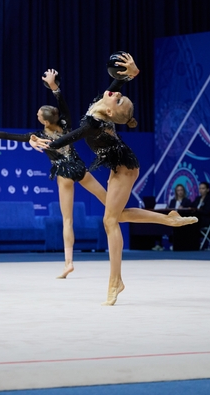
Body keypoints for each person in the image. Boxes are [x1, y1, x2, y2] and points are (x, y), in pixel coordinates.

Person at [0, 69, 197, 279]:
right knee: (117, 214)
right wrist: (55, 87)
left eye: (38, 114)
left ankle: (69, 263)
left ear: (45, 121)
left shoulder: (46, 133)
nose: (37, 115)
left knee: (72, 219)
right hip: (80, 168)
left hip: (65, 173)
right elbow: (66, 105)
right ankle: (167, 218)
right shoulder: (66, 122)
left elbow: (11, 136)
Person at [32, 52, 168, 305]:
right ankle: (166, 219)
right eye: (119, 96)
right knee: (117, 215)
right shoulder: (102, 103)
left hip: (124, 166)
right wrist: (133, 73)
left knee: (110, 220)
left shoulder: (96, 121)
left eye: (119, 100)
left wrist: (45, 143)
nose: (116, 94)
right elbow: (118, 83)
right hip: (117, 167)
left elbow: (71, 136)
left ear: (109, 111)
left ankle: (116, 281)